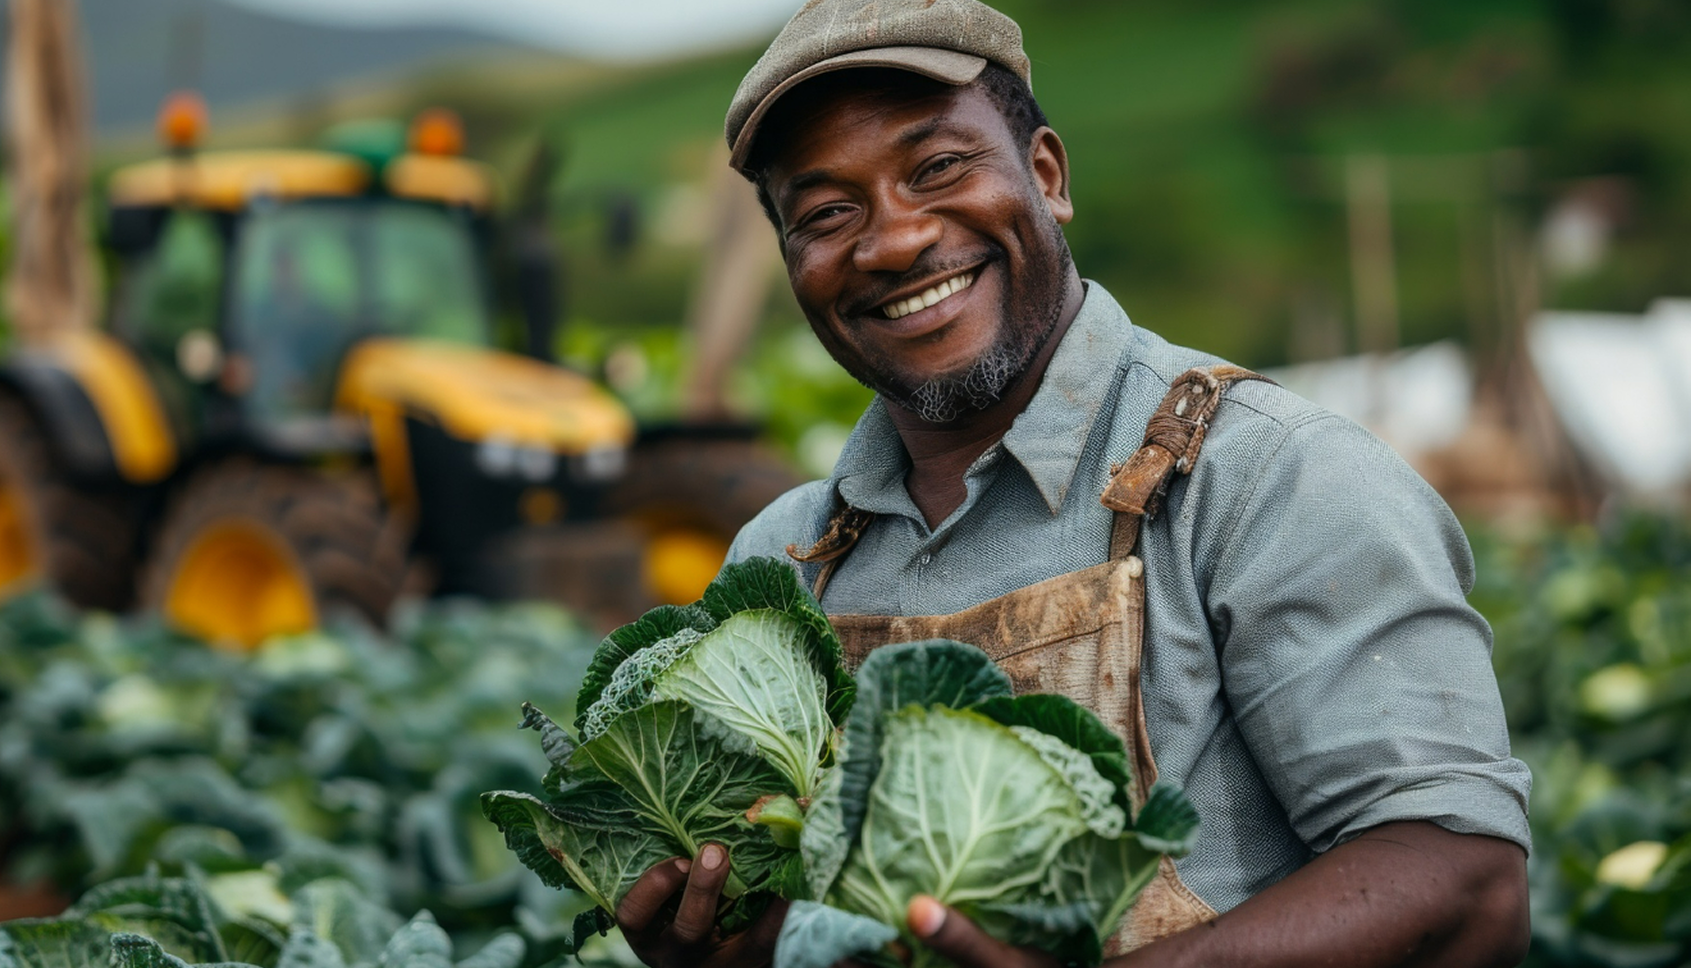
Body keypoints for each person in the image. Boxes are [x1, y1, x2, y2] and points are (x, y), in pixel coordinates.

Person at [608, 1, 1534, 967]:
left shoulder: (1269, 475)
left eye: (937, 168)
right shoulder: (781, 565)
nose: (891, 242)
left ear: (1045, 176)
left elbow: (1464, 887)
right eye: (827, 214)